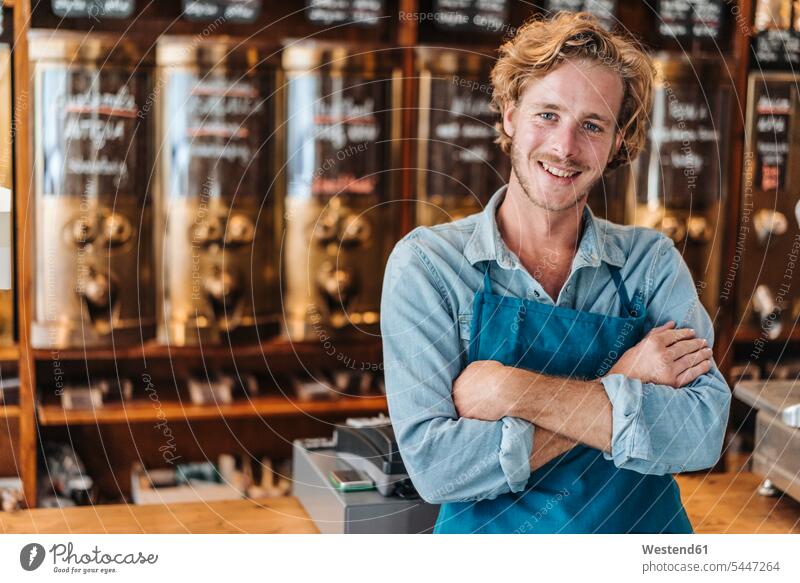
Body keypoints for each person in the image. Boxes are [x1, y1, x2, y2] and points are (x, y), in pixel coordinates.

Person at [380, 12, 731, 534]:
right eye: (548, 114)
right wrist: (629, 377)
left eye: (592, 125)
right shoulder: (429, 267)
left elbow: (702, 433)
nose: (565, 148)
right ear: (509, 115)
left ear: (617, 143)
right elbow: (437, 469)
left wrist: (508, 390)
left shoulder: (649, 263)